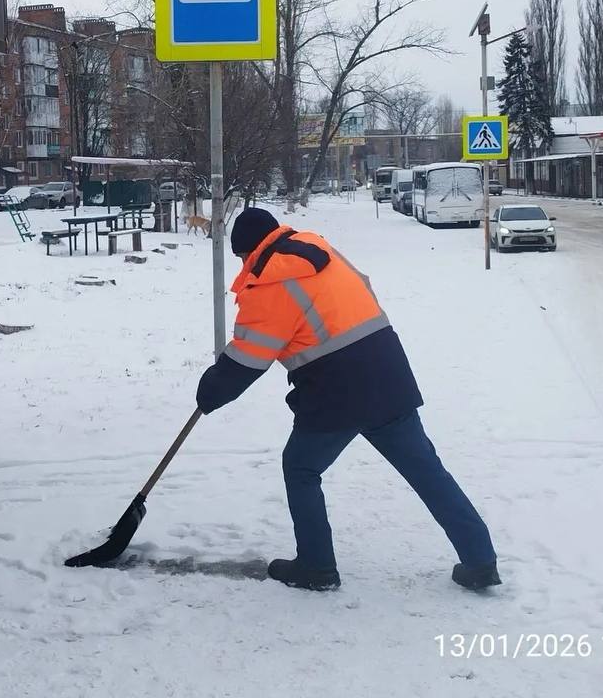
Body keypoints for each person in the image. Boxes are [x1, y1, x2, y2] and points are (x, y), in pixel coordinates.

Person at [195, 207, 500, 592]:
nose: (241, 264)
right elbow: (360, 291)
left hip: (335, 389)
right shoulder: (319, 249)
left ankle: (317, 567)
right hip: (387, 370)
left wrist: (209, 392)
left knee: (301, 468)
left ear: (247, 251)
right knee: (426, 470)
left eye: (240, 256)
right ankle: (480, 559)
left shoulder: (269, 281)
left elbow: (248, 359)